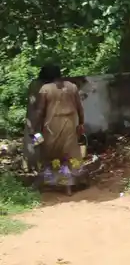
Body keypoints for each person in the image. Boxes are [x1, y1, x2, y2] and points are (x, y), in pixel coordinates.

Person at [32, 64, 85, 194]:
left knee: (51, 154)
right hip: (70, 123)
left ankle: (50, 183)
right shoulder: (72, 87)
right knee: (69, 153)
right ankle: (69, 186)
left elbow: (40, 111)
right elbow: (80, 108)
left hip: (51, 126)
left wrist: (35, 128)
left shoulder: (45, 89)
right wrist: (81, 124)